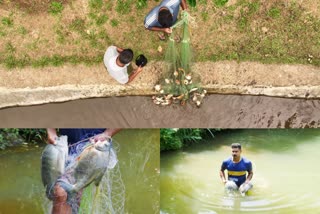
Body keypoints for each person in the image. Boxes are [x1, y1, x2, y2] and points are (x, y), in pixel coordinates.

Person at [46, 128, 121, 214]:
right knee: (73, 197)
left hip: (94, 150)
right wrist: (51, 131)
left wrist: (107, 133)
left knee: (62, 191)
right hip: (66, 146)